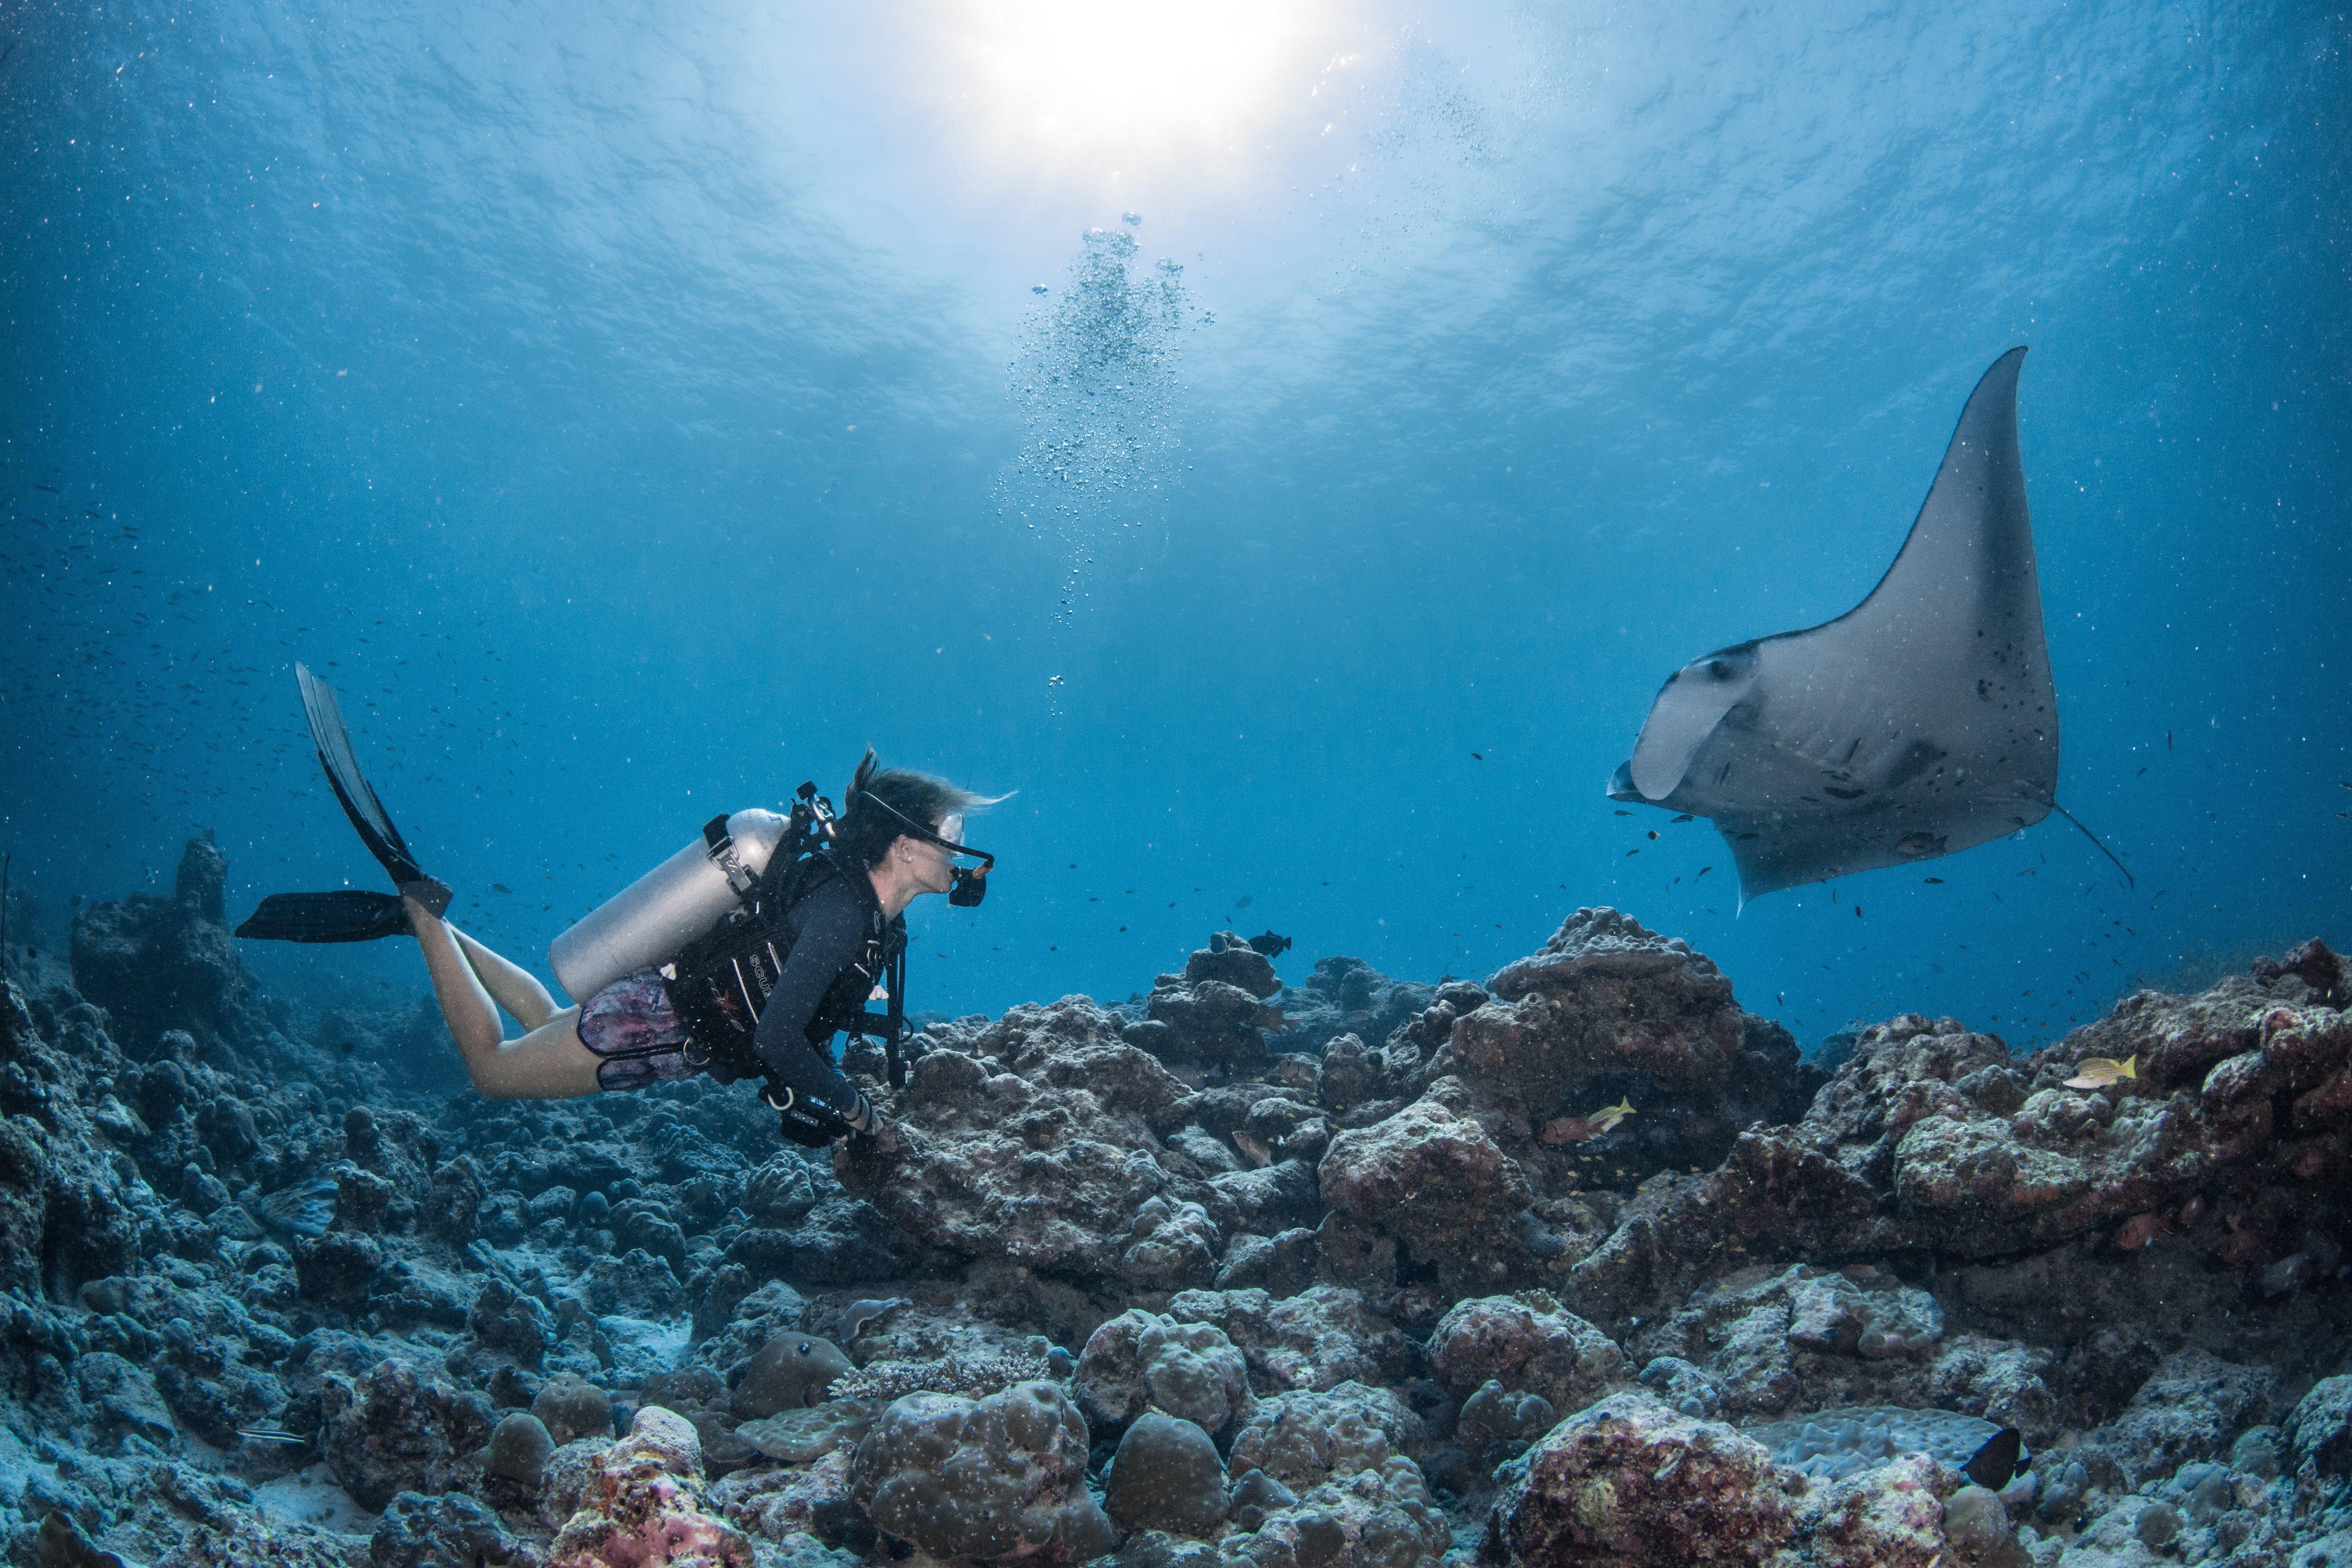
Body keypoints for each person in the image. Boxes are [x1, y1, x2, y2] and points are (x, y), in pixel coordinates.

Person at [238, 667, 998, 1143]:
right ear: (903, 845)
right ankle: (421, 911)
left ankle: (430, 922)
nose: (960, 845)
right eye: (951, 830)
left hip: (659, 1008)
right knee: (493, 1070)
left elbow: (795, 1009)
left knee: (539, 1022)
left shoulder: (866, 915)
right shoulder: (845, 910)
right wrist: (857, 1111)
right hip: (654, 1026)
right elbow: (776, 1038)